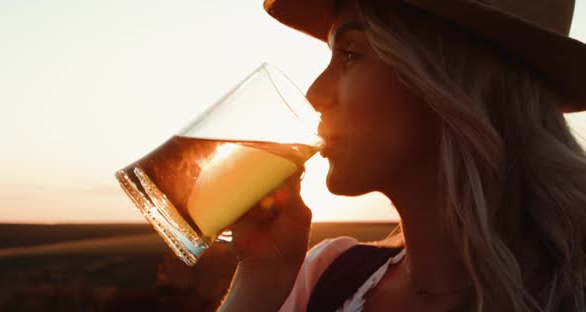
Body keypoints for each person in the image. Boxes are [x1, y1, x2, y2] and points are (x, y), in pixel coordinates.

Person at [219, 0, 586, 311]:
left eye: (349, 54)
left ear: (445, 80)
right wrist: (258, 284)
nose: (314, 94)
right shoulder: (322, 277)